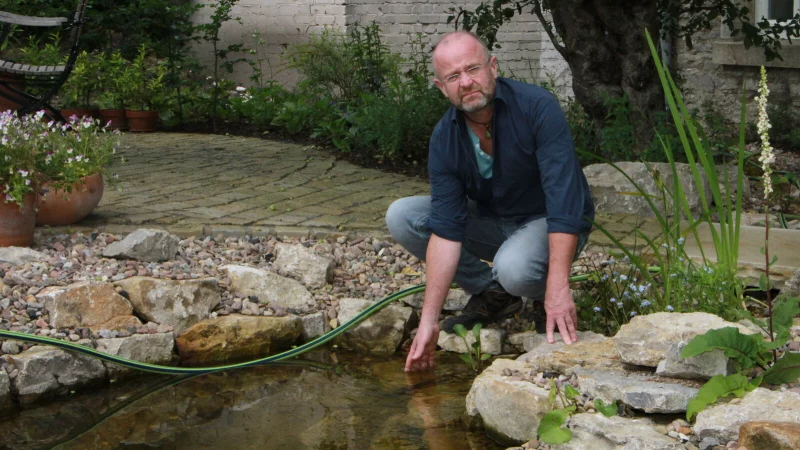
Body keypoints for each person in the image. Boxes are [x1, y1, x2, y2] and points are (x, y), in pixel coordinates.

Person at [385, 32, 595, 373]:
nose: (466, 82)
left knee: (514, 268)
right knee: (404, 215)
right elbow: (446, 230)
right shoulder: (445, 138)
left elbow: (564, 202)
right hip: (495, 221)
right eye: (453, 76)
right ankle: (494, 293)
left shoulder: (536, 107)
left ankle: (540, 293)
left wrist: (558, 288)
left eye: (473, 69)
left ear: (493, 67)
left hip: (549, 221)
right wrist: (428, 321)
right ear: (441, 87)